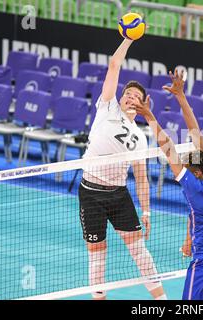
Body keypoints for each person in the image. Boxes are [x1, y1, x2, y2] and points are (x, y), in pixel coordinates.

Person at [78, 38, 166, 300]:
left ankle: (162, 300)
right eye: (128, 93)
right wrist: (128, 38)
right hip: (91, 192)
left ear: (142, 105)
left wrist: (146, 210)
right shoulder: (107, 107)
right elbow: (114, 64)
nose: (130, 97)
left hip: (119, 195)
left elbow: (141, 178)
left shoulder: (140, 137)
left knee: (139, 251)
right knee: (97, 254)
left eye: (136, 97)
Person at [135, 69, 203, 300]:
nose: (183, 168)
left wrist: (149, 117)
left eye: (188, 167)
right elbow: (196, 133)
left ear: (196, 172)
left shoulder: (194, 188)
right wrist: (181, 96)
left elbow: (167, 147)